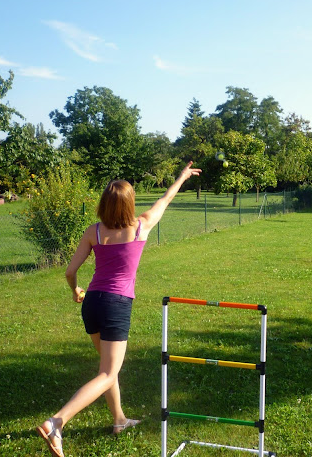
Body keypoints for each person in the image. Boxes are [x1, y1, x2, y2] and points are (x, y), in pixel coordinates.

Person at [36, 161, 201, 457]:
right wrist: (182, 177)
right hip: (116, 305)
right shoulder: (141, 226)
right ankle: (57, 422)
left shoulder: (94, 232)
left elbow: (70, 272)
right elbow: (166, 199)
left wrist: (75, 290)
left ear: (104, 204)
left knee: (107, 369)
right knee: (108, 373)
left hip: (92, 303)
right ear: (130, 204)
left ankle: (119, 420)